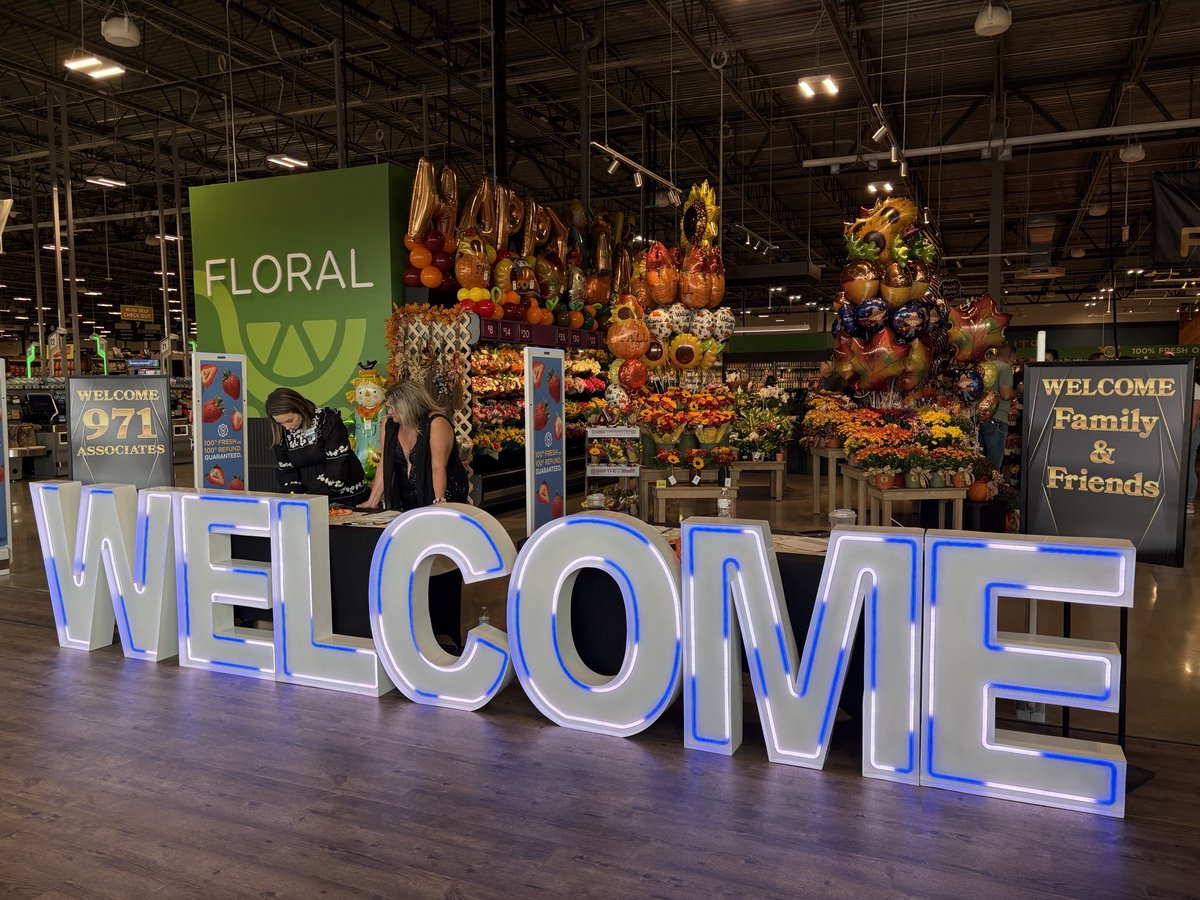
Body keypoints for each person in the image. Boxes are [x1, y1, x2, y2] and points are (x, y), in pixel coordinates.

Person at [360, 380, 470, 511]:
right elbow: (384, 463)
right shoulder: (389, 424)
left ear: (406, 407)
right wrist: (372, 501)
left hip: (444, 492)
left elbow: (438, 467)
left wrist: (440, 504)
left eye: (392, 407)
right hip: (409, 495)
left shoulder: (436, 423)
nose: (389, 412)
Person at [266, 388, 369, 507]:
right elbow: (286, 470)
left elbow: (338, 465)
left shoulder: (328, 421)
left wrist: (309, 497)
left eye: (290, 420)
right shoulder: (281, 431)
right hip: (307, 497)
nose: (287, 427)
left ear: (301, 407)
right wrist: (295, 497)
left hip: (342, 496)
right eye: (281, 423)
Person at [979, 343, 1015, 470]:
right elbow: (1006, 394)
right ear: (1011, 356)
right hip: (997, 419)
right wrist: (1019, 390)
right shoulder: (1005, 368)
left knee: (981, 462)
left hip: (980, 419)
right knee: (993, 464)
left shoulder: (984, 366)